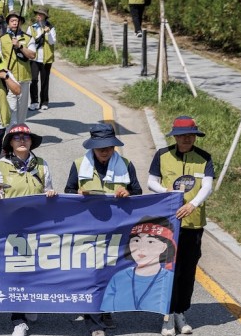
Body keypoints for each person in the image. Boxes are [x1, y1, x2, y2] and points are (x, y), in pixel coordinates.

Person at [64, 123, 142, 336]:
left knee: (111, 273)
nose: (104, 151)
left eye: (108, 146)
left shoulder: (126, 164)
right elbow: (68, 191)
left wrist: (127, 193)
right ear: (92, 147)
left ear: (114, 146)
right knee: (91, 274)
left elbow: (138, 192)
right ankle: (94, 324)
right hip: (88, 229)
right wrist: (78, 194)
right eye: (100, 147)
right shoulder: (79, 164)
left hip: (117, 229)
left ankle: (106, 311)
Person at [148, 117, 215, 336]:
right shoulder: (162, 155)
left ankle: (180, 311)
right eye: (182, 135)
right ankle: (166, 315)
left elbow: (207, 186)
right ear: (175, 137)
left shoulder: (204, 157)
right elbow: (151, 181)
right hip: (167, 223)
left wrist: (192, 204)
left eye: (191, 135)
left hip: (193, 224)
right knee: (168, 270)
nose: (187, 139)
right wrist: (165, 191)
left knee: (187, 270)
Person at [0, 124, 56, 336]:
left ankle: (31, 302)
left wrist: (51, 194)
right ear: (10, 142)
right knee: (17, 271)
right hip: (12, 227)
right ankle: (18, 319)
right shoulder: (1, 166)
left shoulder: (42, 164)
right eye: (16, 137)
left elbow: (49, 190)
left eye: (25, 137)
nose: (21, 140)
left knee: (36, 268)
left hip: (37, 226)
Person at [100, 217, 177, 316]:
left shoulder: (170, 279)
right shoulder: (118, 277)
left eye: (150, 241)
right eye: (136, 240)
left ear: (163, 247)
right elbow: (107, 307)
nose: (141, 248)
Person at [0, 12, 34, 124]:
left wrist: (20, 46)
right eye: (12, 21)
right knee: (11, 109)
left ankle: (20, 131)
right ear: (8, 23)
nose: (14, 23)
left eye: (17, 21)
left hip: (24, 79)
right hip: (9, 79)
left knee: (22, 111)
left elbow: (32, 55)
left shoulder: (28, 38)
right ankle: (10, 133)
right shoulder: (1, 39)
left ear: (21, 23)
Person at [26, 8, 55, 111]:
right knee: (33, 80)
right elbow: (28, 41)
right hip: (34, 58)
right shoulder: (31, 28)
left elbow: (52, 42)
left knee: (45, 81)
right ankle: (34, 102)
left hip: (46, 58)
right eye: (37, 14)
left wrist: (48, 33)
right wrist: (41, 33)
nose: (38, 16)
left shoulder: (51, 28)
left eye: (41, 14)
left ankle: (44, 102)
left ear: (45, 16)